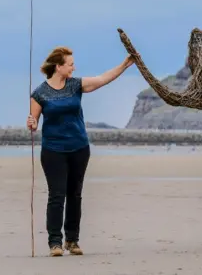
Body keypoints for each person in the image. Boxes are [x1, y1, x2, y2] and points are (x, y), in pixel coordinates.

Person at [26, 46, 134, 257]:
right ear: (58, 67)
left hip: (79, 148)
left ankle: (72, 240)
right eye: (71, 64)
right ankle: (55, 243)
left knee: (75, 195)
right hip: (53, 150)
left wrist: (125, 64)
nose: (74, 67)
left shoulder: (76, 85)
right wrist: (31, 122)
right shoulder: (39, 93)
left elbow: (102, 79)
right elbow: (33, 122)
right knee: (57, 196)